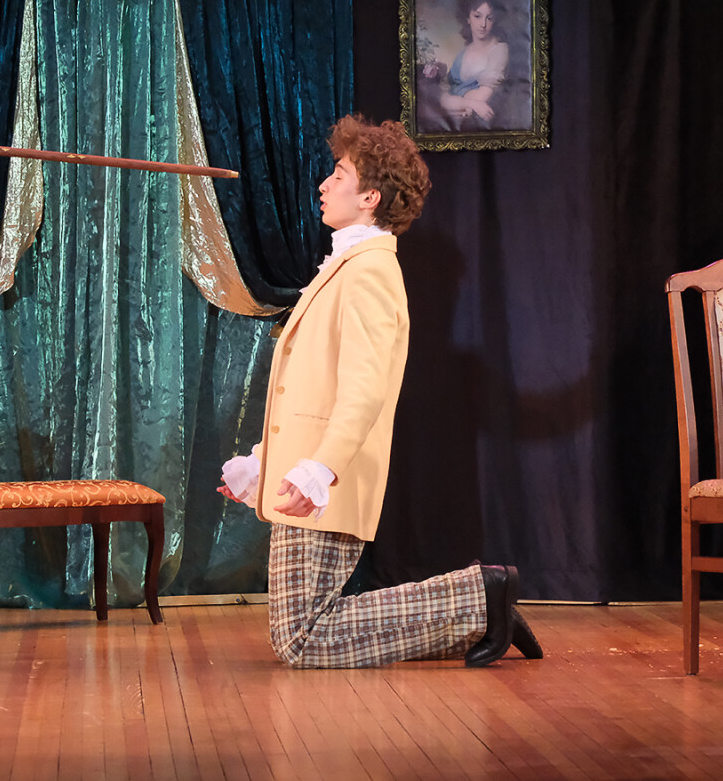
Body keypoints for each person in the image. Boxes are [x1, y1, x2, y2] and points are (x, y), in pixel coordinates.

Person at [219, 115, 541, 668]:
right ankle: (480, 609)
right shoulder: (347, 265)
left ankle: (478, 597)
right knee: (301, 636)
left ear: (370, 197)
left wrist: (320, 469)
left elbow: (364, 389)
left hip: (322, 478)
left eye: (338, 175)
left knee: (301, 639)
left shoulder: (368, 271)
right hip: (303, 470)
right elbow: (313, 388)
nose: (324, 184)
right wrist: (262, 462)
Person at [427, 0, 510, 126]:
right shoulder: (462, 54)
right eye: (477, 16)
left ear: (494, 21)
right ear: (468, 19)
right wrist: (469, 103)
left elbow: (483, 95)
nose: (483, 24)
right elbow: (443, 98)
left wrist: (458, 101)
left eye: (489, 18)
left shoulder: (499, 50)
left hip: (482, 123)